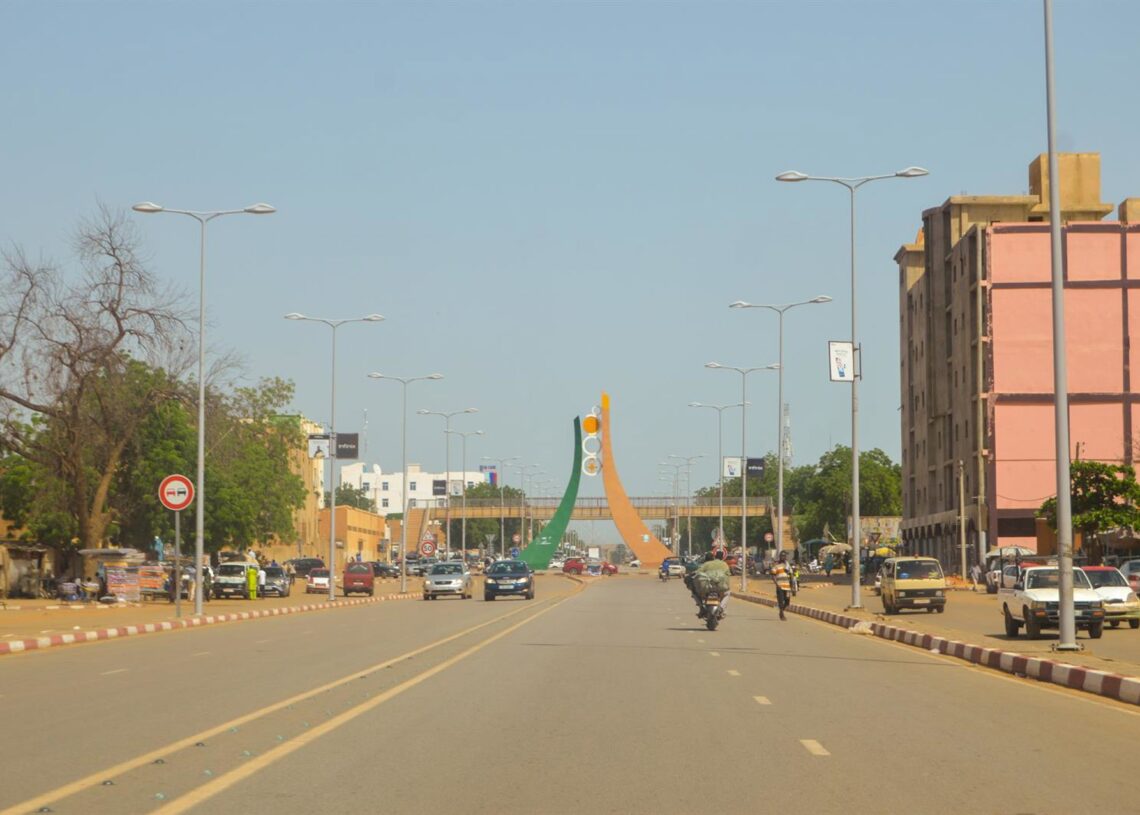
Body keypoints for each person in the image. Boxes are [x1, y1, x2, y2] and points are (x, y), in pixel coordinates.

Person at [692, 550, 731, 618]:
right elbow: (728, 574)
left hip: (707, 587)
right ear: (722, 557)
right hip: (720, 587)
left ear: (715, 556)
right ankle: (721, 608)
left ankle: (701, 607)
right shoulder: (724, 564)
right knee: (727, 593)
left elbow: (698, 572)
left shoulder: (707, 564)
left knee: (695, 592)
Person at [771, 551, 794, 621]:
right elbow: (773, 575)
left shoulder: (788, 565)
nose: (783, 557)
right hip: (780, 586)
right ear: (780, 557)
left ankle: (781, 611)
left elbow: (791, 575)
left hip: (787, 586)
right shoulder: (776, 565)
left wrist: (792, 586)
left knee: (787, 602)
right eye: (782, 556)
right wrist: (776, 584)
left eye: (784, 556)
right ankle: (782, 614)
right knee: (781, 601)